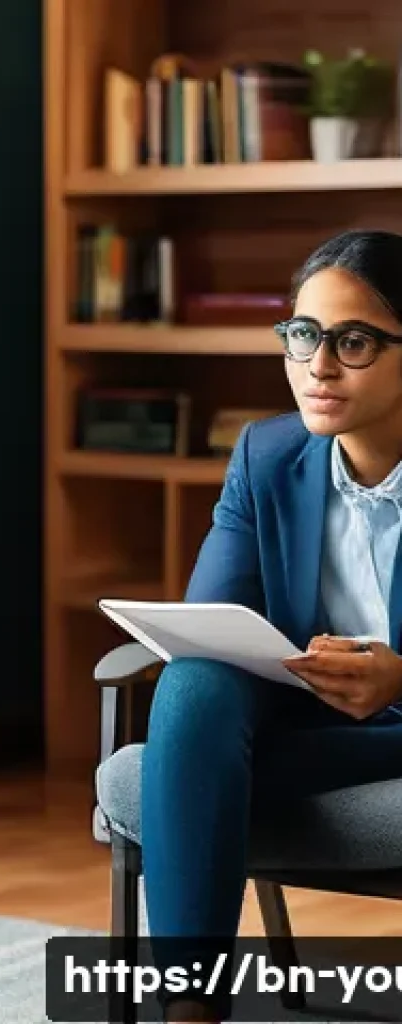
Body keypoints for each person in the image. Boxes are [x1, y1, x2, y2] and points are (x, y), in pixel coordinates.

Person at [140, 229, 402, 1022]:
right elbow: (216, 624)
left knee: (181, 774)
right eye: (302, 335)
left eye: (353, 341)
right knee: (191, 690)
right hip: (312, 726)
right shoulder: (266, 454)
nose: (318, 366)